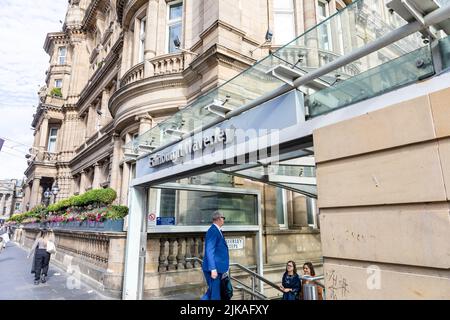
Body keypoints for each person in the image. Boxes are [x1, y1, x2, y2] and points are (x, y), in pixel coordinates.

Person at [201, 211, 229, 300]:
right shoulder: (213, 231)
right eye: (223, 218)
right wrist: (213, 269)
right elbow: (209, 251)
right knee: (215, 295)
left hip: (219, 269)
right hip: (214, 269)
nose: (224, 220)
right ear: (219, 218)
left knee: (212, 292)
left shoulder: (217, 230)